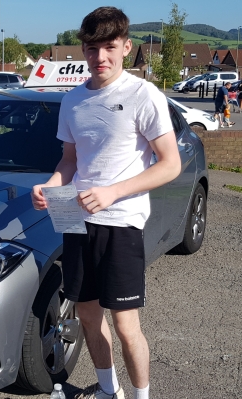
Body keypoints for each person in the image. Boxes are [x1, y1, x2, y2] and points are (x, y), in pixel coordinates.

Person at [31, 7, 181, 399]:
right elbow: (69, 160)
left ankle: (140, 396)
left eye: (110, 47)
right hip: (73, 215)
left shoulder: (142, 94)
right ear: (82, 49)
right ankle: (106, 390)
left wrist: (112, 192)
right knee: (85, 313)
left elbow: (170, 164)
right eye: (93, 48)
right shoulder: (73, 100)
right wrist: (48, 186)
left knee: (126, 324)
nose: (101, 57)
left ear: (126, 47)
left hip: (121, 221)